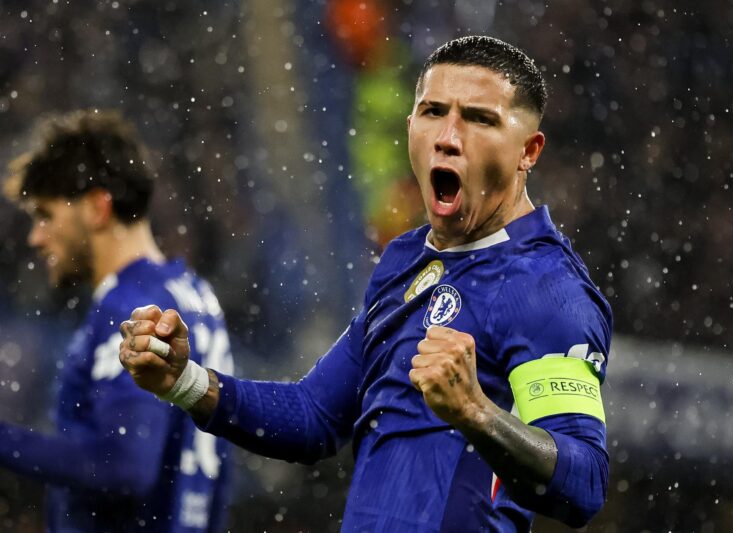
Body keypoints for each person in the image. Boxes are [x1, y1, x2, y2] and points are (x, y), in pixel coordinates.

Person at [120, 35, 611, 531]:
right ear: (410, 126)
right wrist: (185, 381)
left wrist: (478, 414)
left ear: (529, 150)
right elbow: (314, 416)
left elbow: (583, 482)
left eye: (479, 119)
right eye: (434, 112)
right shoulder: (405, 261)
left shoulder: (547, 289)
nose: (449, 136)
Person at [0, 110, 234, 532]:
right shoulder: (196, 295)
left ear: (98, 207)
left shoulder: (132, 308)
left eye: (46, 215)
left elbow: (124, 467)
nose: (36, 237)